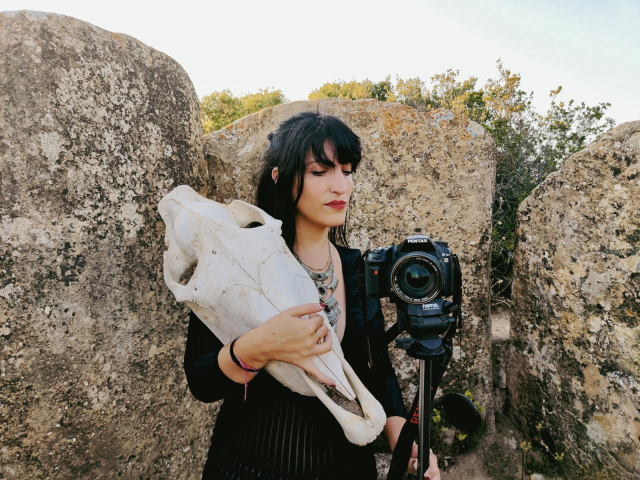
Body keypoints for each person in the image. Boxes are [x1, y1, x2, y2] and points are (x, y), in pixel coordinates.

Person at [183, 111, 441, 480]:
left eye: (347, 170)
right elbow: (201, 381)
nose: (341, 186)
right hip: (248, 468)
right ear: (281, 178)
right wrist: (256, 348)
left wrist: (403, 436)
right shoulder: (238, 262)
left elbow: (377, 369)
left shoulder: (356, 268)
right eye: (320, 172)